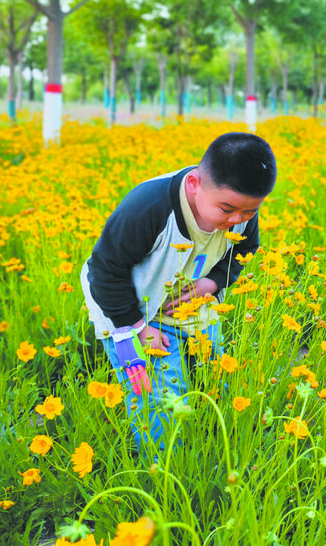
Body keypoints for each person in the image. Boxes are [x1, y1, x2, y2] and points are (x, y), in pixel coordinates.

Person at [81, 132, 277, 453]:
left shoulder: (240, 210)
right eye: (227, 209)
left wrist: (212, 282)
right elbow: (105, 270)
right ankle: (163, 470)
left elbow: (245, 252)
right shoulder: (149, 208)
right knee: (158, 398)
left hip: (190, 302)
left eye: (249, 212)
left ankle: (207, 449)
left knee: (213, 381)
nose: (237, 221)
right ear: (194, 184)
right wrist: (136, 329)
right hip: (126, 308)